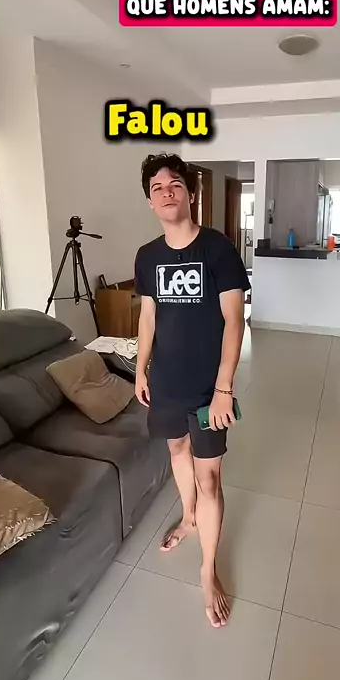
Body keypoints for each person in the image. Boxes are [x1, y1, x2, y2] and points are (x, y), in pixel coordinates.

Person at [134, 153, 250, 628]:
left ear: (190, 193)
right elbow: (148, 316)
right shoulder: (147, 256)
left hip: (208, 389)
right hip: (165, 382)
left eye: (175, 185)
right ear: (150, 201)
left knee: (210, 480)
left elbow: (234, 321)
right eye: (157, 188)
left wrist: (224, 388)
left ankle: (208, 571)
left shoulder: (218, 249)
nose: (167, 192)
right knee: (177, 451)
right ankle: (188, 518)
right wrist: (140, 368)